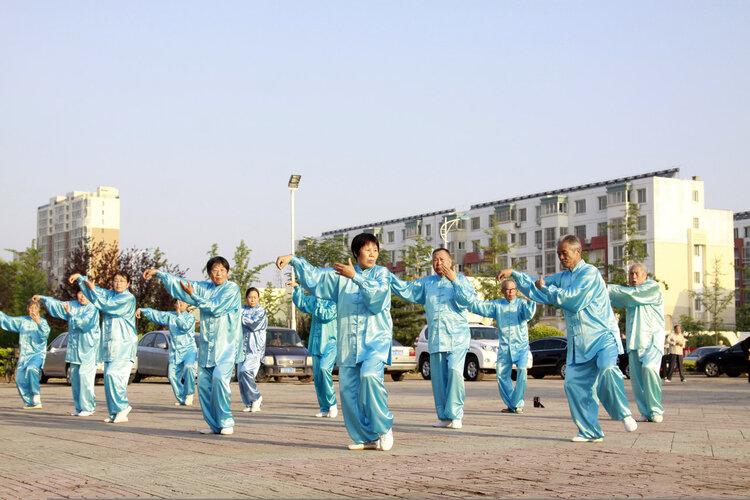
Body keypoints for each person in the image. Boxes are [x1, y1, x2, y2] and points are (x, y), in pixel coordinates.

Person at [499, 235, 637, 442]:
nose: (561, 258)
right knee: (573, 384)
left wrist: (546, 287)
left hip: (602, 337)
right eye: (559, 254)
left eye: (564, 253)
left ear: (577, 251)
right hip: (579, 342)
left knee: (607, 369)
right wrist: (515, 275)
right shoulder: (562, 277)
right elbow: (536, 287)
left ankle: (623, 412)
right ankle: (590, 431)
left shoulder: (590, 273)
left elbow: (573, 299)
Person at [276, 232, 394, 451]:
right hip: (349, 343)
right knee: (348, 391)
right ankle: (366, 437)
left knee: (369, 376)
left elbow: (376, 300)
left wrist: (356, 277)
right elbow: (316, 277)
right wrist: (294, 260)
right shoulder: (341, 275)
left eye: (375, 250)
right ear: (356, 252)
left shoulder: (382, 274)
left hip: (375, 341)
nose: (372, 254)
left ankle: (383, 428)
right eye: (367, 250)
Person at [143, 257, 242, 435]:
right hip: (207, 347)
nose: (218, 273)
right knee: (203, 385)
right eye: (214, 270)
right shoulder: (205, 288)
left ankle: (226, 421)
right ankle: (214, 424)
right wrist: (160, 274)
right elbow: (183, 285)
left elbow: (216, 308)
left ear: (227, 272)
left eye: (222, 270)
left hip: (226, 346)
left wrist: (194, 296)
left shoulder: (232, 289)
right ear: (209, 273)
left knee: (219, 379)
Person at [389, 248, 473, 428]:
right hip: (436, 338)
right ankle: (444, 417)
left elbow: (468, 301)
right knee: (439, 379)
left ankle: (456, 414)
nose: (438, 263)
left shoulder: (462, 280)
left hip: (457, 338)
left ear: (450, 261)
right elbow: (406, 288)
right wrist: (387, 277)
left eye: (442, 259)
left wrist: (454, 280)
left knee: (455, 372)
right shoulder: (427, 283)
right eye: (435, 260)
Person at [454, 277, 536, 415]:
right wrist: (465, 299)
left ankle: (517, 403)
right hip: (504, 347)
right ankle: (513, 404)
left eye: (513, 289)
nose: (510, 292)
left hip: (521, 346)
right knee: (502, 375)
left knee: (522, 370)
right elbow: (479, 306)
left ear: (516, 291)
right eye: (507, 290)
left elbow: (529, 314)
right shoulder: (497, 305)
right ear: (502, 291)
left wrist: (532, 298)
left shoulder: (522, 304)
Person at [70, 271, 136, 424]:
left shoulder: (128, 298)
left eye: (122, 281)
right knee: (109, 379)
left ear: (128, 284)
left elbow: (105, 305)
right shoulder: (110, 294)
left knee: (114, 375)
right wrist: (81, 279)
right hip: (109, 346)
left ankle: (123, 407)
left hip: (124, 345)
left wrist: (91, 288)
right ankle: (115, 413)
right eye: (115, 280)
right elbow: (95, 290)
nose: (118, 283)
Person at [608, 263, 665, 423]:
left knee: (650, 368)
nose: (633, 277)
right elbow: (616, 298)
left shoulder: (652, 288)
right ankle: (645, 412)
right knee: (637, 380)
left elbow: (630, 295)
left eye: (636, 273)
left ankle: (656, 409)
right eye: (631, 274)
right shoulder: (628, 294)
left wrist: (607, 287)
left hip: (652, 340)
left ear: (645, 275)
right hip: (634, 341)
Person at [34, 291, 100, 416]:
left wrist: (70, 314)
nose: (82, 296)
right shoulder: (73, 305)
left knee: (85, 378)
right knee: (75, 378)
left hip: (88, 350)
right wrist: (42, 298)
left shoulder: (93, 309)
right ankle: (79, 407)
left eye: (85, 294)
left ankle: (88, 407)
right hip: (74, 350)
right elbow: (58, 305)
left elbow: (84, 325)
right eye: (80, 293)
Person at [290, 280, 338, 418]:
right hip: (316, 343)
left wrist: (318, 301)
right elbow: (302, 304)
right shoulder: (315, 299)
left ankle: (332, 404)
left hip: (330, 342)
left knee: (324, 369)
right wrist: (297, 289)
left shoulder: (334, 301)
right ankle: (324, 407)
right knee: (317, 376)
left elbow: (325, 316)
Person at [137, 300, 197, 406]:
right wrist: (142, 310)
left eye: (182, 302)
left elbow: (185, 327)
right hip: (175, 351)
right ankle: (182, 398)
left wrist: (178, 313)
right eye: (178, 302)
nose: (180, 304)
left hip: (189, 350)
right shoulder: (170, 316)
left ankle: (189, 393)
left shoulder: (190, 317)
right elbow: (158, 315)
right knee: (172, 375)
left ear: (187, 305)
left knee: (188, 367)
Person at [0, 300, 50, 409]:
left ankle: (36, 397)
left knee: (32, 369)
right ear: (28, 309)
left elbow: (44, 336)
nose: (32, 310)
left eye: (35, 308)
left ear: (39, 310)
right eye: (30, 308)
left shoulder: (43, 322)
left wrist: (38, 323)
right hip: (24, 356)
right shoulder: (23, 321)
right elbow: (8, 320)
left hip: (37, 354)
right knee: (19, 379)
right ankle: (30, 402)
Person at [238, 287, 267, 413]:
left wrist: (240, 318)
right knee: (240, 376)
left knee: (246, 372)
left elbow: (254, 325)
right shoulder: (241, 309)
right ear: (246, 298)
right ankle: (249, 403)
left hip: (255, 349)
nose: (252, 300)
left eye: (255, 297)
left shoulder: (261, 311)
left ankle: (256, 397)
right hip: (241, 349)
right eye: (250, 297)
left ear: (258, 298)